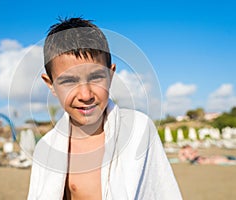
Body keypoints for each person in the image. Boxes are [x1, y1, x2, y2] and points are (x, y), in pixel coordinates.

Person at [27, 17, 182, 200]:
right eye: (69, 81)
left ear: (111, 75)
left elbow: (160, 192)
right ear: (50, 84)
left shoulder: (139, 131)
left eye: (96, 77)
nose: (85, 95)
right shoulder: (46, 149)